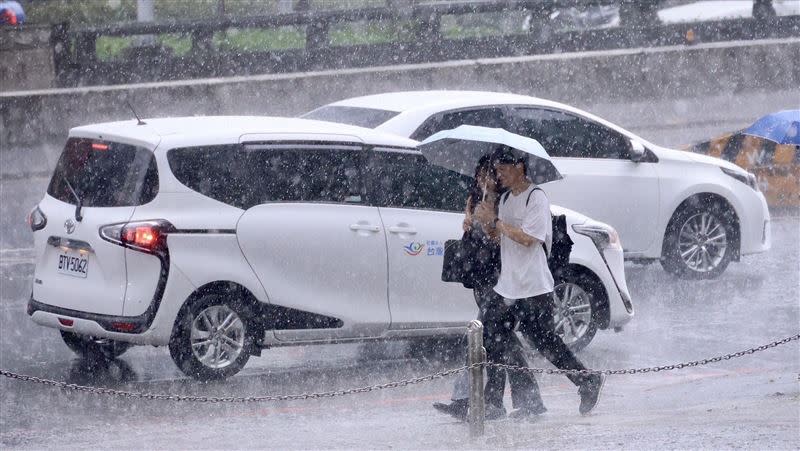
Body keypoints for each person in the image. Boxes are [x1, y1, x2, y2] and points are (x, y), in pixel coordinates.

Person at [473, 146, 605, 417]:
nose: (499, 175)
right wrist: (486, 220)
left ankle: (586, 380)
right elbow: (501, 238)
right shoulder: (507, 198)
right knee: (493, 336)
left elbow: (528, 238)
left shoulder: (537, 198)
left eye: (503, 169)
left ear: (520, 166)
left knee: (547, 344)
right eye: (496, 171)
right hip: (508, 285)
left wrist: (496, 221)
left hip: (533, 287)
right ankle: (496, 402)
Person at [433, 154, 546, 421]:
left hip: (501, 279)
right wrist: (469, 221)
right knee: (502, 342)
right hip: (480, 279)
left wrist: (490, 222)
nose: (484, 179)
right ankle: (527, 401)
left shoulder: (505, 203)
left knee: (483, 338)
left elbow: (503, 243)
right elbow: (471, 234)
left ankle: (472, 400)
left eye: (489, 174)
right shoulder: (476, 199)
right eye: (480, 174)